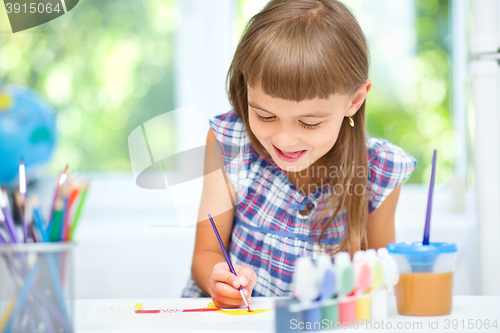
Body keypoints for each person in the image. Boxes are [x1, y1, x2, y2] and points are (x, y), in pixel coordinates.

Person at [181, 0, 417, 308]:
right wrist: (220, 280)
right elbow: (205, 255)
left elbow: (378, 282)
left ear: (354, 100)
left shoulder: (381, 171)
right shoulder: (229, 140)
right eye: (265, 115)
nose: (284, 140)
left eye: (309, 122)